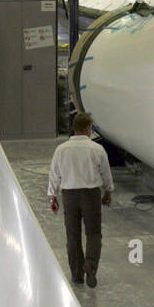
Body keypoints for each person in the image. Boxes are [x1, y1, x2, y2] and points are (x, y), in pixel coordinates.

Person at [48, 112, 114, 287]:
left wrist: (52, 197)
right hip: (91, 195)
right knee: (93, 233)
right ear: (87, 128)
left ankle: (77, 275)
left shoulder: (61, 149)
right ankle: (90, 266)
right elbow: (106, 173)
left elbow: (54, 175)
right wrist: (108, 191)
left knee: (73, 235)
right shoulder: (97, 149)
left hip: (69, 195)